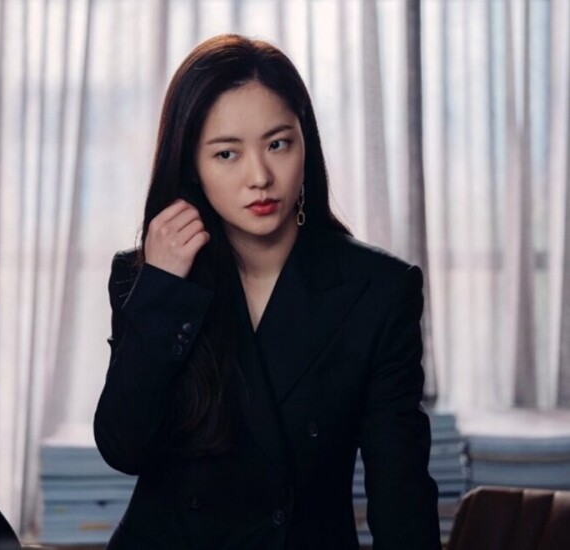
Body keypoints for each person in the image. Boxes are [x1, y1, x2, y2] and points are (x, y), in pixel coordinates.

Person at [94, 34, 440, 550]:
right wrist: (163, 290)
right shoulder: (144, 276)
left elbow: (401, 494)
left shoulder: (380, 291)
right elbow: (124, 449)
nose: (259, 177)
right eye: (227, 154)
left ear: (306, 144)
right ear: (192, 167)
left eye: (278, 144)